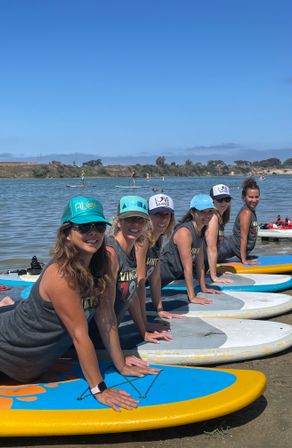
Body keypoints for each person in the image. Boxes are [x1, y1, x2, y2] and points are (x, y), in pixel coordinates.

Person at [0, 196, 156, 411]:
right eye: (84, 227)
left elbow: (106, 318)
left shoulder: (101, 267)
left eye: (99, 226)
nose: (93, 233)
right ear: (66, 234)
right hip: (8, 354)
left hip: (29, 358)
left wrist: (121, 364)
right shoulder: (62, 275)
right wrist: (99, 389)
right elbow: (79, 335)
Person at [90, 195, 172, 348]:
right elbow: (105, 312)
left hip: (105, 336)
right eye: (129, 219)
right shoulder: (111, 253)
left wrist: (143, 330)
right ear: (118, 221)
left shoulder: (132, 248)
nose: (135, 224)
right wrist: (120, 359)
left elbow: (131, 294)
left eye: (140, 219)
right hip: (93, 336)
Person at [135, 193, 184, 328]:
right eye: (158, 214)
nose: (163, 220)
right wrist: (143, 321)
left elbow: (155, 279)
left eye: (166, 215)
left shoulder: (158, 237)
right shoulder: (143, 239)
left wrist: (160, 309)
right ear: (148, 216)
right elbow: (140, 280)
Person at [160, 194, 218, 304]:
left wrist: (203, 288)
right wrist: (192, 297)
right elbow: (188, 268)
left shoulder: (201, 230)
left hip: (167, 279)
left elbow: (200, 265)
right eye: (202, 212)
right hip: (158, 276)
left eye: (210, 211)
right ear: (193, 212)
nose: (207, 215)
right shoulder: (185, 232)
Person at [227, 177, 260, 264]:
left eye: (256, 197)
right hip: (225, 248)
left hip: (231, 250)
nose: (254, 200)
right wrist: (244, 260)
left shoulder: (251, 211)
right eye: (251, 197)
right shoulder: (246, 213)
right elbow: (243, 238)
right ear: (244, 197)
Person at [205, 184, 233, 283]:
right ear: (212, 200)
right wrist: (214, 276)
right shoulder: (213, 217)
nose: (224, 203)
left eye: (227, 199)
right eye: (220, 200)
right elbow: (211, 248)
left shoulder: (219, 217)